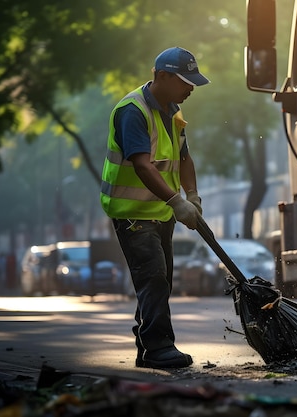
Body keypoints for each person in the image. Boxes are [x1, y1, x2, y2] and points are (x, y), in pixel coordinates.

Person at [100, 46, 209, 368]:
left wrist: (193, 196)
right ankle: (159, 347)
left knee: (161, 281)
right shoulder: (132, 111)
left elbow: (184, 157)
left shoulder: (172, 110)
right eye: (184, 81)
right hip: (133, 213)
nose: (191, 88)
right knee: (154, 279)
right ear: (161, 76)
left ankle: (146, 348)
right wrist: (177, 201)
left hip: (161, 212)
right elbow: (143, 166)